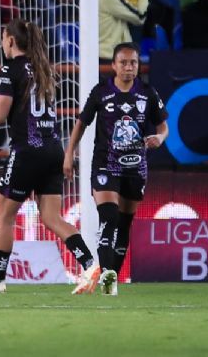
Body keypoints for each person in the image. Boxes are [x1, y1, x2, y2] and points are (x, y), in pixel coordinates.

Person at [0, 18, 100, 294]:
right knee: (52, 217)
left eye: (2, 37)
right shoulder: (43, 68)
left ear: (10, 40)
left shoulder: (10, 69)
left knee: (5, 215)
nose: (2, 43)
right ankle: (90, 265)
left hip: (27, 152)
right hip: (53, 149)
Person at [63, 42, 168, 296]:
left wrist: (160, 138)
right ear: (113, 65)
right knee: (108, 217)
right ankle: (107, 273)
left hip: (135, 167)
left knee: (124, 223)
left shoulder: (148, 93)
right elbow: (81, 124)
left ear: (137, 66)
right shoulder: (101, 92)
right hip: (105, 165)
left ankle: (113, 277)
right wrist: (69, 154)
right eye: (123, 62)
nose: (129, 67)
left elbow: (163, 126)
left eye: (133, 62)